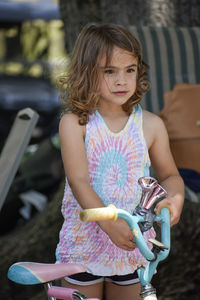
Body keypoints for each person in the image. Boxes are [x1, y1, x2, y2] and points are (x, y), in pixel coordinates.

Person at [55, 23, 184, 300]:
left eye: (130, 70)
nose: (121, 81)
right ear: (87, 73)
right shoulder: (75, 124)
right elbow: (78, 180)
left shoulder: (150, 125)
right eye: (109, 71)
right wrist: (109, 224)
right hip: (84, 244)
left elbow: (170, 175)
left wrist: (174, 198)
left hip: (133, 243)